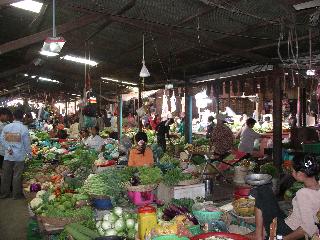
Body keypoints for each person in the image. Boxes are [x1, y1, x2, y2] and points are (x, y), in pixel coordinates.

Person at [247, 153, 320, 240]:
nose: (291, 173)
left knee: (262, 189)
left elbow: (308, 228)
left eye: (292, 171)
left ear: (300, 174)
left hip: (286, 230)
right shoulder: (317, 185)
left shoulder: (303, 193)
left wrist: (282, 238)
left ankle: (259, 236)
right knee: (269, 197)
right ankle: (262, 233)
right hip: (290, 221)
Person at [0, 109, 32, 199]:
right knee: (17, 176)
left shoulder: (7, 127)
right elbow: (27, 144)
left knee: (6, 175)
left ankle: (4, 194)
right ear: (22, 118)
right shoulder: (24, 128)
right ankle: (16, 195)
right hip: (19, 156)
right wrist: (30, 155)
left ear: (13, 116)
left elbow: (1, 139)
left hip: (8, 155)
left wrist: (8, 148)